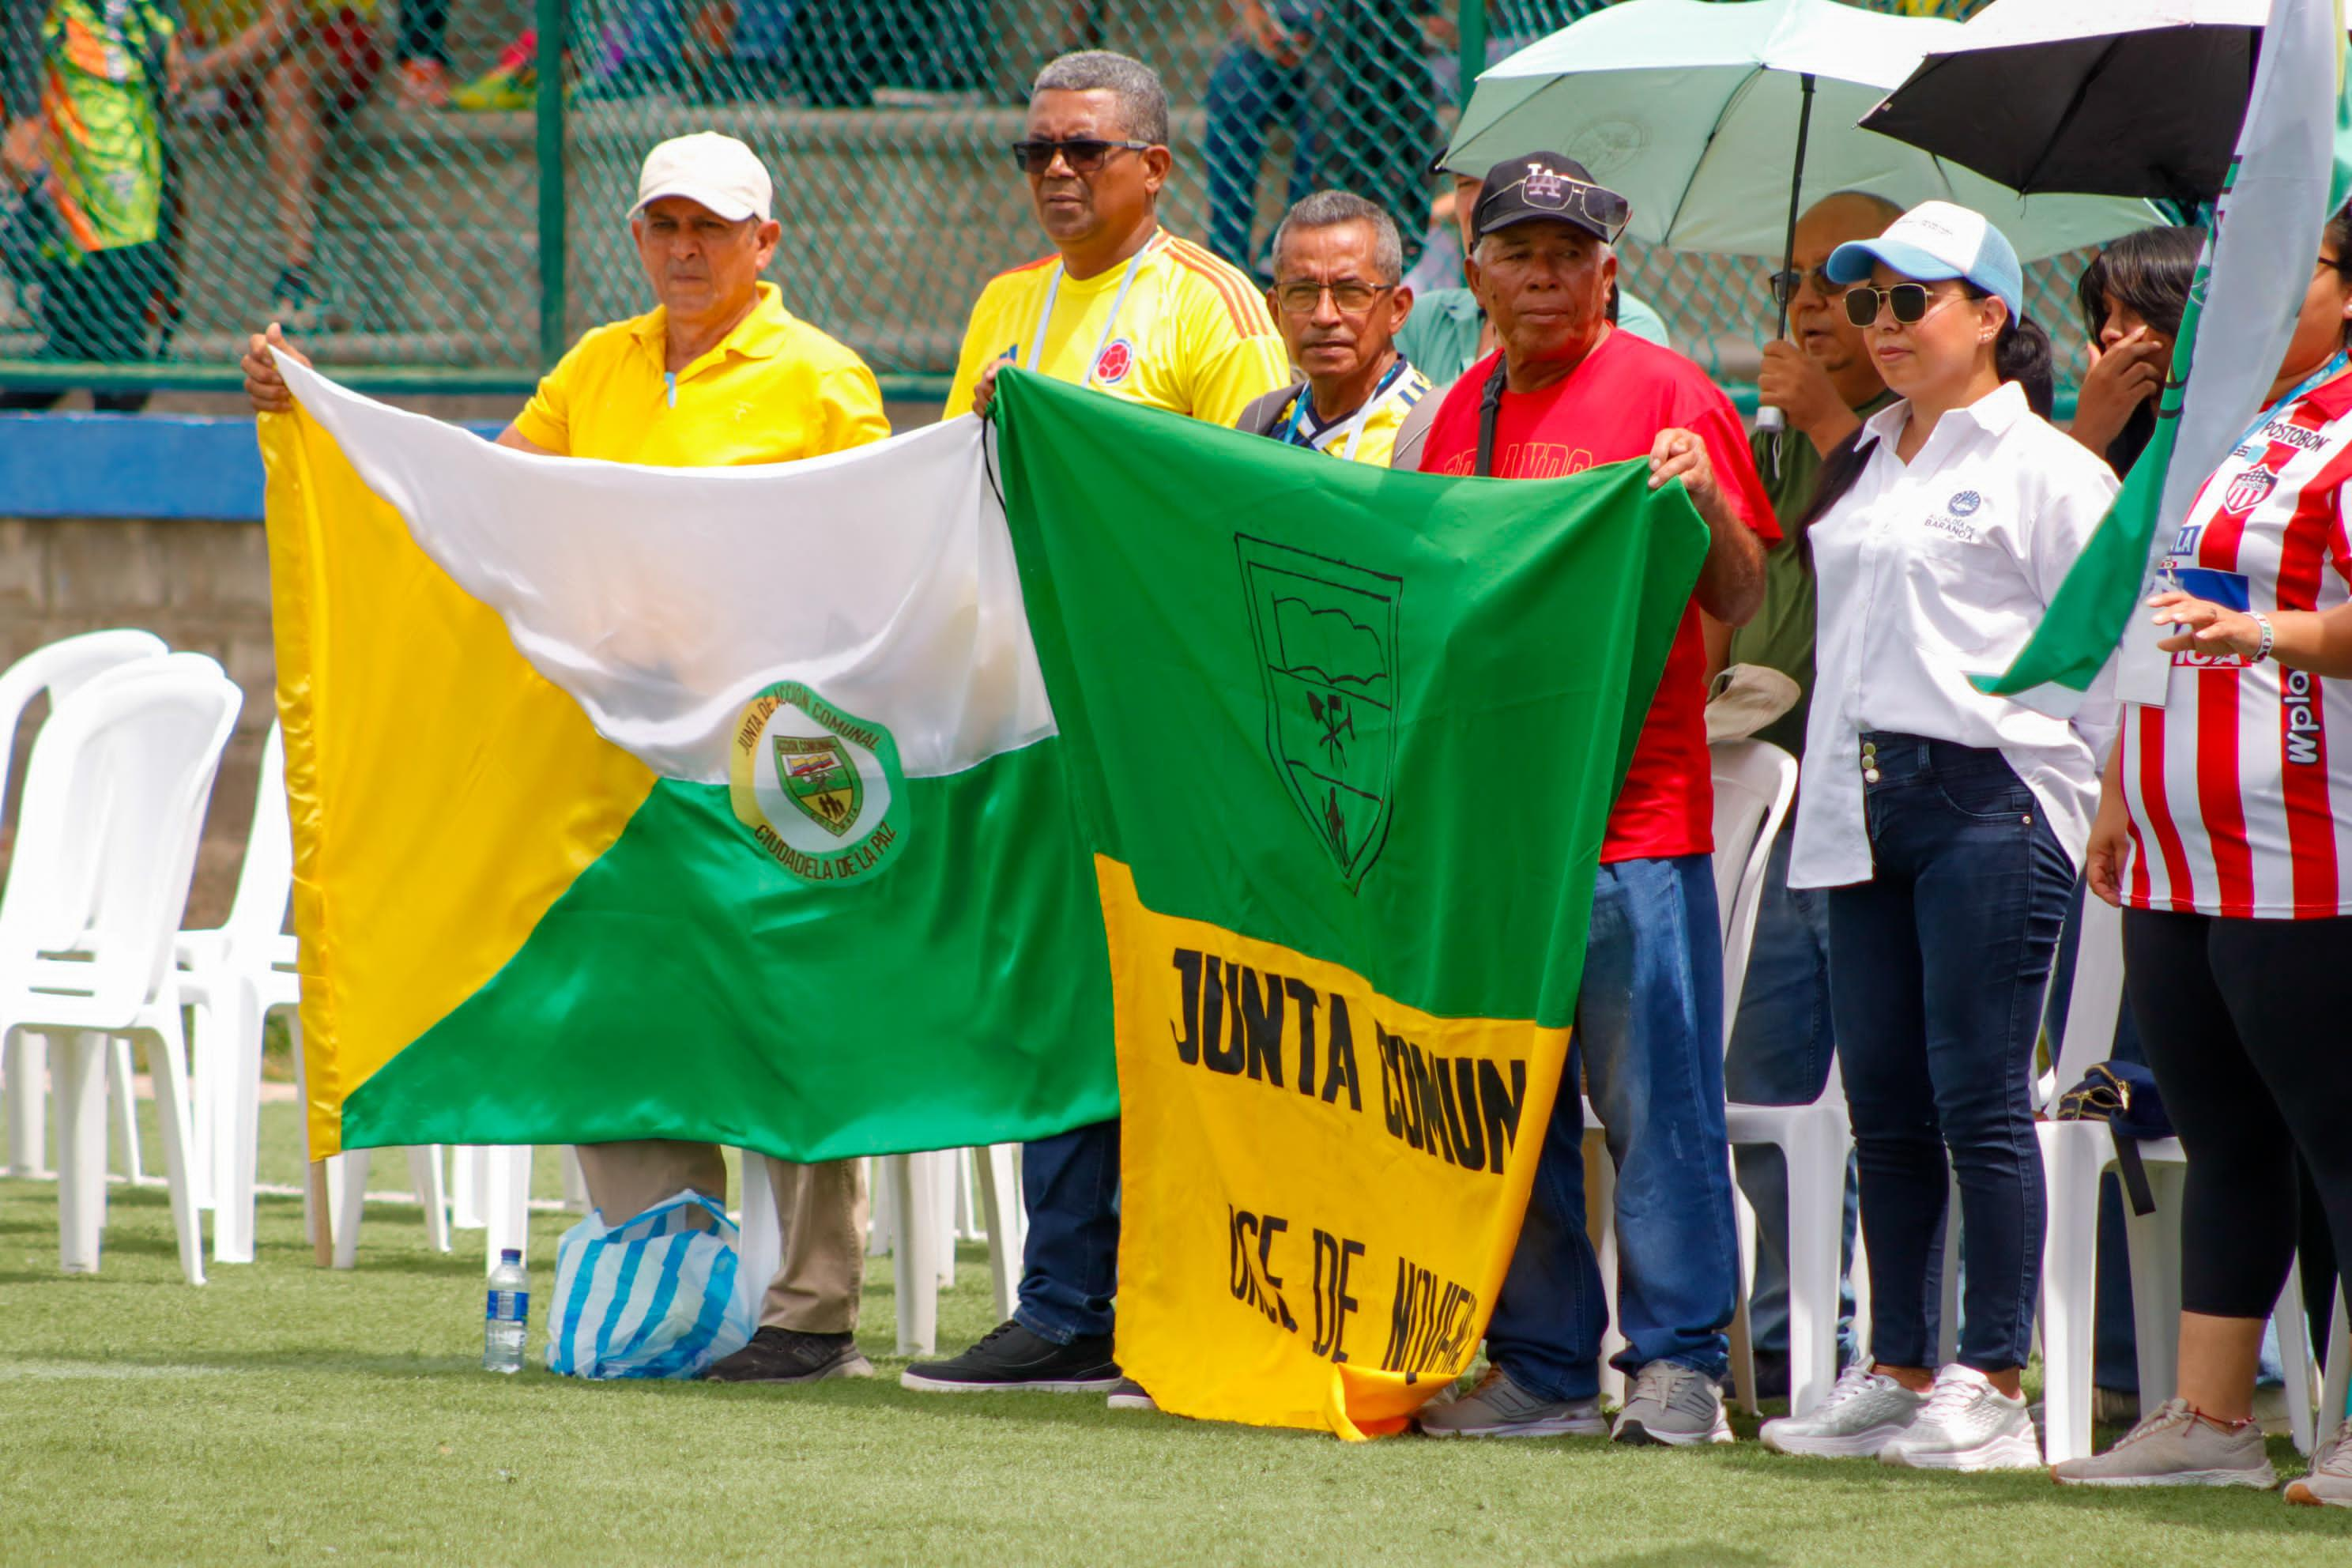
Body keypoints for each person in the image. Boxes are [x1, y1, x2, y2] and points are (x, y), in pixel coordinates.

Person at [242, 132, 890, 1385]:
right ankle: (668, 1289)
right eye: (665, 226)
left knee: (789, 1013)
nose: (687, 249)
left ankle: (813, 1316)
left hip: (761, 754)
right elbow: (491, 506)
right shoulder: (596, 363)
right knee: (625, 1004)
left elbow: (862, 560)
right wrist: (327, 417)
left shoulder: (825, 378)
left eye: (713, 227)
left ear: (768, 242)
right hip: (609, 755)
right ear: (640, 238)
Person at [906, 51, 1288, 1404]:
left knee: (1173, 1019)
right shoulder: (1003, 305)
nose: (1055, 171)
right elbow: (963, 496)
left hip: (1164, 725)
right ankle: (1067, 1305)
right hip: (1030, 715)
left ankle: (1172, 1302)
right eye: (1035, 151)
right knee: (1064, 1009)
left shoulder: (1214, 306)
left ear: (1154, 166)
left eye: (1083, 148)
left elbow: (1252, 506)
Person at [1409, 153, 1773, 1447]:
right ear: (1478, 270)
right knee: (1501, 1107)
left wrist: (1702, 496)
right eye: (1520, 251)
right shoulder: (1456, 414)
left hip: (1629, 824)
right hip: (1492, 832)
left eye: (1569, 252)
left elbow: (1734, 593)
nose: (1545, 274)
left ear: (1609, 267)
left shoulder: (1672, 394)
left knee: (1654, 1109)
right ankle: (1545, 1366)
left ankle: (1674, 1364)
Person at [1756, 201, 2117, 1469]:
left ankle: (1991, 1377)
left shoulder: (2054, 470)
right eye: (1868, 303)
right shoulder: (1861, 453)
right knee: (1889, 1108)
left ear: (1991, 314)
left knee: (1978, 1098)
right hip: (1858, 803)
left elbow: (2107, 659)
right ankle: (1900, 1365)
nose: (1884, 324)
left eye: (1914, 299)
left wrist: (2100, 798)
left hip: (1988, 797)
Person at [2053, 205, 2352, 1504]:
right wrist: (2120, 783)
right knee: (2226, 1135)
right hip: (2177, 837)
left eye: (2295, 271)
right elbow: (2155, 615)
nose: (2254, 295)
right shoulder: (2225, 415)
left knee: (2337, 1136)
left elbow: (2294, 619)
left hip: (2305, 836)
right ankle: (2211, 1415)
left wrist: (2277, 637)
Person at [1716, 189, 1904, 1397]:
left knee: (1904, 1094)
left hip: (1896, 804)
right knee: (1767, 1083)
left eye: (1841, 278)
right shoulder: (1764, 439)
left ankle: (1926, 1352)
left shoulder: (1937, 430)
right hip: (1771, 799)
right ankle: (1799, 1349)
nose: (1810, 301)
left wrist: (1831, 415)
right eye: (1794, 278)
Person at [1389, 164, 1671, 472]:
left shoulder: (1664, 387)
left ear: (1606, 277)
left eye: (1567, 254)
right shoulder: (1455, 402)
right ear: (1477, 279)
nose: (1542, 276)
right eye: (1465, 184)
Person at [1, 0, 184, 413]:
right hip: (74, 158)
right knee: (101, 339)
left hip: (134, 154)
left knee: (93, 339)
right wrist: (25, 117)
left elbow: (167, 44)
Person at [178, 0, 383, 324]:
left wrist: (195, 74)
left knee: (285, 80)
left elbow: (287, 25)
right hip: (233, 54)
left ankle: (299, 276)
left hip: (327, 38)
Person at [1234, 190, 1430, 466]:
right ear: (1276, 312)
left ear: (1397, 309)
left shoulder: (1435, 431)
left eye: (1351, 293)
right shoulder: (1260, 424)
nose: (1325, 316)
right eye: (1302, 293)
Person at [2069, 224, 2203, 476]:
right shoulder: (2121, 430)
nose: (2107, 332)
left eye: (2134, 310)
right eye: (2107, 312)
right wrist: (2089, 434)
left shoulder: (2249, 432)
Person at [1203, 0, 1316, 278]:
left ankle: (1284, 252)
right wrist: (1258, 26)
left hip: (1336, 49)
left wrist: (1324, 35)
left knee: (1322, 118)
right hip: (1267, 43)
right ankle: (1225, 263)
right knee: (1232, 85)